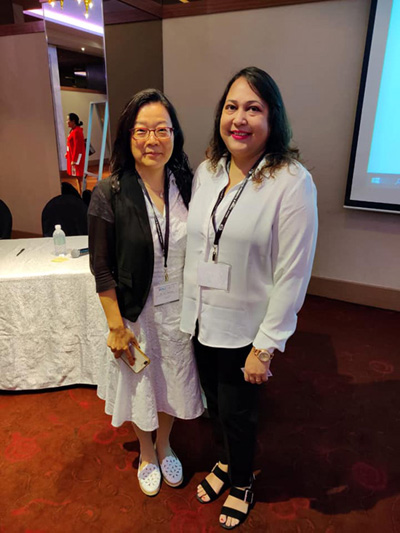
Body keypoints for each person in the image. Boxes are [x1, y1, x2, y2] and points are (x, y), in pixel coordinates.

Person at [181, 67, 318, 529]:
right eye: (231, 107)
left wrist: (266, 345)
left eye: (253, 108)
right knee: (214, 406)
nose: (239, 119)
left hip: (245, 327)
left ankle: (242, 482)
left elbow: (293, 272)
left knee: (239, 413)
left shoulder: (291, 181)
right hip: (201, 318)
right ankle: (225, 461)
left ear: (272, 117)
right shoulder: (208, 171)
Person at [88, 89, 203, 497]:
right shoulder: (111, 192)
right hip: (136, 312)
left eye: (162, 130)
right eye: (142, 131)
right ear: (128, 136)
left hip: (180, 310)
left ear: (175, 134)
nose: (152, 140)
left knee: (173, 381)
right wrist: (115, 326)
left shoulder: (188, 184)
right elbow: (101, 267)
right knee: (142, 384)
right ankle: (147, 451)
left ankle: (165, 442)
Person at [65, 113, 85, 190]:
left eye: (68, 120)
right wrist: (67, 153)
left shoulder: (77, 131)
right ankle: (80, 191)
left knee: (79, 175)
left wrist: (74, 159)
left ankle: (81, 191)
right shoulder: (73, 130)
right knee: (77, 176)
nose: (67, 122)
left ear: (73, 121)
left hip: (77, 158)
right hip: (73, 156)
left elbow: (77, 146)